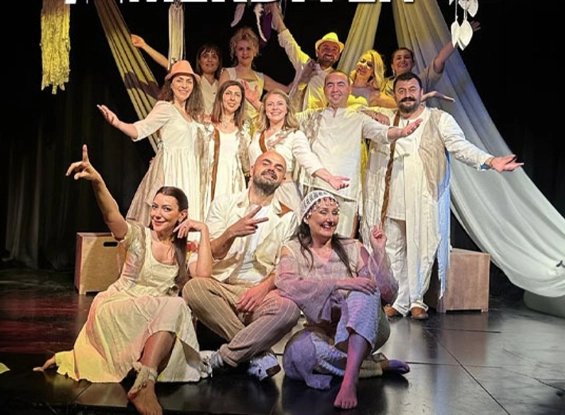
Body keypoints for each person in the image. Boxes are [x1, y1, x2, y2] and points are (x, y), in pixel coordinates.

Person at [34, 145, 213, 415]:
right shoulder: (139, 236)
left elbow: (204, 278)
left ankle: (143, 377)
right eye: (155, 207)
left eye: (166, 209)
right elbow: (112, 215)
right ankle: (145, 385)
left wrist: (204, 231)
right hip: (119, 307)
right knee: (175, 306)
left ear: (182, 215)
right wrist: (98, 182)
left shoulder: (185, 250)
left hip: (156, 315)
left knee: (175, 307)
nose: (157, 214)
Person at [361, 71, 523, 320]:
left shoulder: (439, 119)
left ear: (421, 93)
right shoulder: (387, 120)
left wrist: (490, 160)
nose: (407, 95)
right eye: (401, 91)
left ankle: (417, 301)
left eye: (412, 90)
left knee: (421, 249)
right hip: (392, 197)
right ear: (394, 95)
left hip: (424, 197)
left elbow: (460, 147)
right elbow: (355, 115)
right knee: (393, 249)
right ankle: (399, 301)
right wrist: (369, 112)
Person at [275, 190, 409, 410]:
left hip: (364, 327)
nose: (331, 219)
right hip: (323, 331)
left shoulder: (352, 247)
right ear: (306, 217)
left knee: (364, 291)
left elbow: (387, 293)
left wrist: (379, 253)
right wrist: (338, 283)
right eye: (323, 212)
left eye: (335, 213)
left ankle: (349, 381)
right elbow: (287, 284)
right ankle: (375, 367)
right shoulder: (292, 249)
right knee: (296, 357)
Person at [181, 151, 301, 381]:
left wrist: (262, 289)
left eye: (278, 168)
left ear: (282, 178)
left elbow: (285, 266)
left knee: (290, 309)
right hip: (222, 288)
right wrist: (231, 233)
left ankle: (224, 356)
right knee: (193, 288)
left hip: (259, 292)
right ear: (252, 169)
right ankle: (259, 353)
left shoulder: (288, 217)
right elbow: (209, 253)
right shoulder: (225, 203)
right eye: (266, 163)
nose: (272, 169)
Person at [296, 70, 423, 238]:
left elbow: (382, 132)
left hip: (346, 193)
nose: (335, 89)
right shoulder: (311, 116)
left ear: (349, 89)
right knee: (312, 242)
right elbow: (287, 117)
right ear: (324, 90)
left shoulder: (358, 117)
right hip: (316, 188)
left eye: (340, 85)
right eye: (330, 85)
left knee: (342, 244)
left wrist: (401, 132)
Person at [98, 60, 210, 230]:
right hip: (172, 170)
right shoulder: (166, 108)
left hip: (190, 172)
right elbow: (140, 129)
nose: (184, 85)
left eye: (189, 81)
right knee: (167, 217)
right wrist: (118, 123)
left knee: (187, 219)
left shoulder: (193, 116)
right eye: (179, 80)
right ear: (171, 85)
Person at [249, 89, 349, 211]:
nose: (275, 108)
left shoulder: (295, 135)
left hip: (282, 193)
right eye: (270, 104)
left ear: (287, 109)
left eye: (280, 104)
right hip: (255, 192)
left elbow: (308, 159)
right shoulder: (257, 134)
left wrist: (329, 178)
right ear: (265, 109)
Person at [269, 3, 344, 111]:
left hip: (313, 120)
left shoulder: (336, 79)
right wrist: (273, 8)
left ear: (338, 56)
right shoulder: (305, 63)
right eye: (325, 48)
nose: (329, 52)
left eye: (334, 50)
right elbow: (288, 40)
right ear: (317, 52)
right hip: (290, 116)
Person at [382, 21, 480, 100]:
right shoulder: (383, 84)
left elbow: (440, 59)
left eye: (407, 57)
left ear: (413, 63)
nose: (403, 60)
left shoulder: (421, 81)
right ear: (392, 65)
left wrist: (459, 37)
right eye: (398, 58)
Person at [131, 34, 222, 117]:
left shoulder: (222, 83)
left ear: (218, 62)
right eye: (205, 56)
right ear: (199, 61)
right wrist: (144, 45)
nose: (210, 60)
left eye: (214, 57)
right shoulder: (191, 80)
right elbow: (166, 64)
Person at [219, 26, 289, 123]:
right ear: (235, 52)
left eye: (248, 49)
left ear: (255, 51)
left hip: (257, 125)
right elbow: (220, 101)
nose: (245, 53)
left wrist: (303, 75)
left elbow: (287, 90)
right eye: (241, 49)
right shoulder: (227, 73)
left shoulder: (261, 78)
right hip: (234, 123)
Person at [207, 79, 251, 200]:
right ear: (220, 98)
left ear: (241, 102)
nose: (232, 98)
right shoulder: (207, 125)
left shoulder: (244, 129)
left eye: (237, 95)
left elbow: (246, 162)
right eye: (228, 93)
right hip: (209, 180)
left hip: (233, 183)